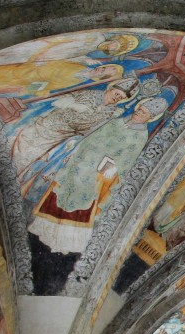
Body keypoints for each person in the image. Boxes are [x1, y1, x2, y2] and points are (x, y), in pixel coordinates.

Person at [30, 96, 168, 252]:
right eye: (140, 110)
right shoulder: (117, 122)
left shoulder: (140, 136)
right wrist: (79, 152)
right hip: (82, 160)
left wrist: (104, 169)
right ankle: (43, 229)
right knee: (65, 184)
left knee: (85, 189)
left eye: (143, 113)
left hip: (99, 171)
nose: (138, 114)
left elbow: (126, 159)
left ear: (150, 118)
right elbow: (93, 138)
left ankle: (66, 241)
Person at [10, 79, 137, 181]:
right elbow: (60, 102)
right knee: (26, 151)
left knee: (44, 163)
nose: (117, 98)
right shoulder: (89, 94)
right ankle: (11, 173)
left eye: (120, 98)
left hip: (65, 139)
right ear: (110, 89)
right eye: (117, 94)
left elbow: (92, 131)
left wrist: (112, 119)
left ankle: (19, 178)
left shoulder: (111, 112)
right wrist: (75, 105)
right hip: (50, 126)